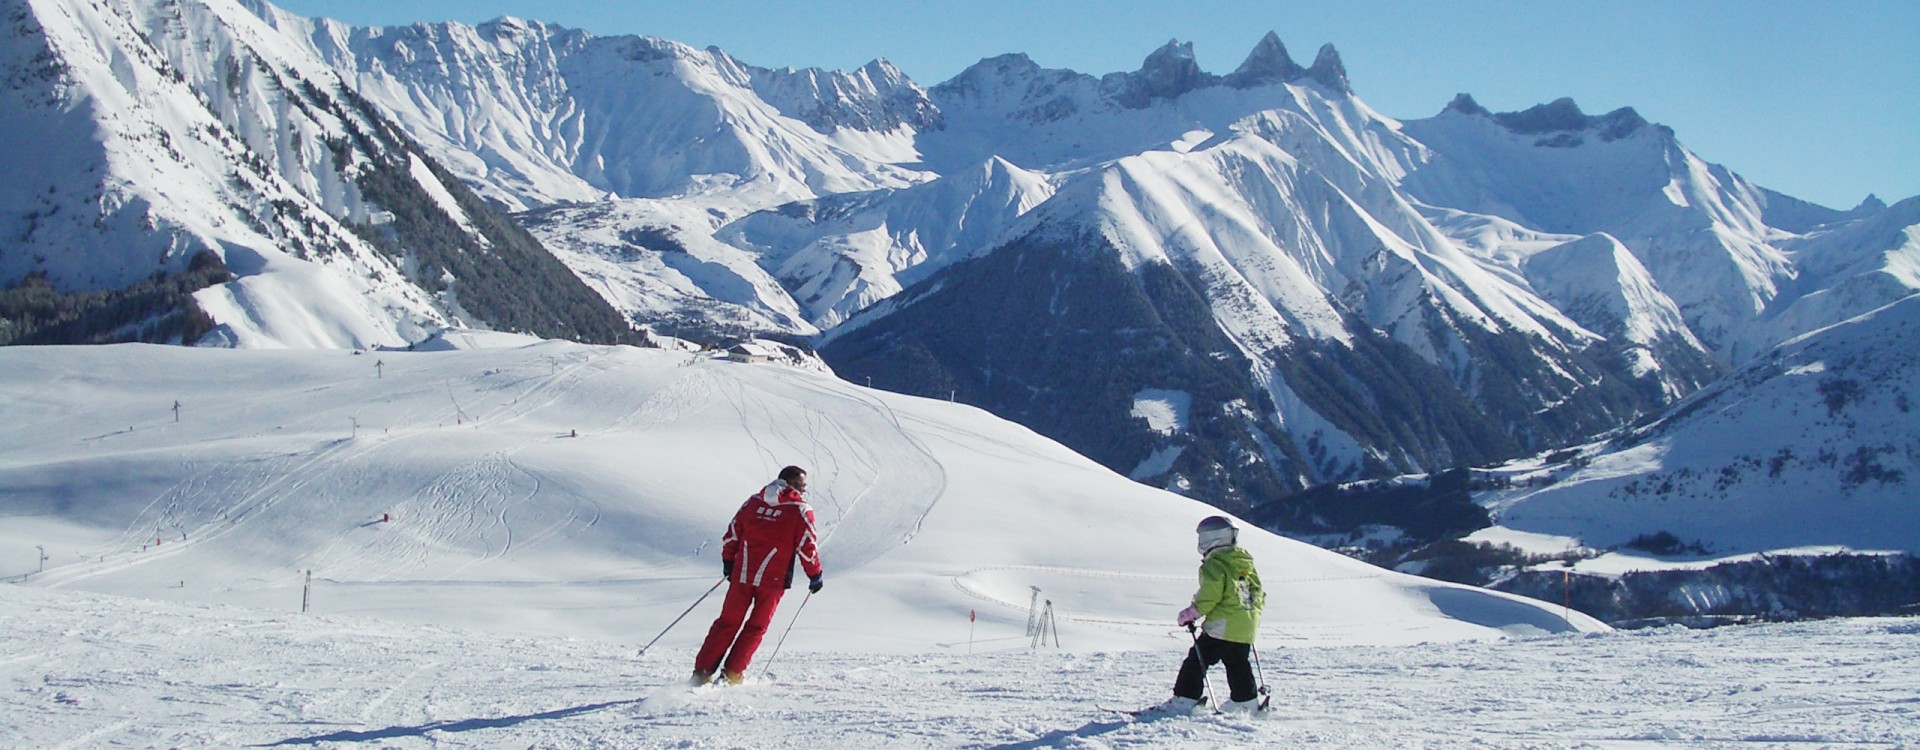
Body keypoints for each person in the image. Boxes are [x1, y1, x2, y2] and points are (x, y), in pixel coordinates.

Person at [691, 465, 825, 686]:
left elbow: (732, 533)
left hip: (742, 574)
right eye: (802, 486)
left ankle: (702, 673)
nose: (803, 491)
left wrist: (728, 561)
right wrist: (815, 574)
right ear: (791, 484)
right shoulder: (801, 510)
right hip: (773, 580)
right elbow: (807, 546)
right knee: (756, 627)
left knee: (727, 622)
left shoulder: (753, 502)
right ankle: (732, 674)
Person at [1162, 515, 1266, 713]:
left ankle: (1185, 699)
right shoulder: (1243, 563)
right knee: (1237, 662)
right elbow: (1257, 592)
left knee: (1197, 660)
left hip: (1223, 625)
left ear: (1213, 538)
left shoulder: (1215, 564)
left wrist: (1192, 612)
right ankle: (1245, 701)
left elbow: (1211, 594)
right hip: (1246, 623)